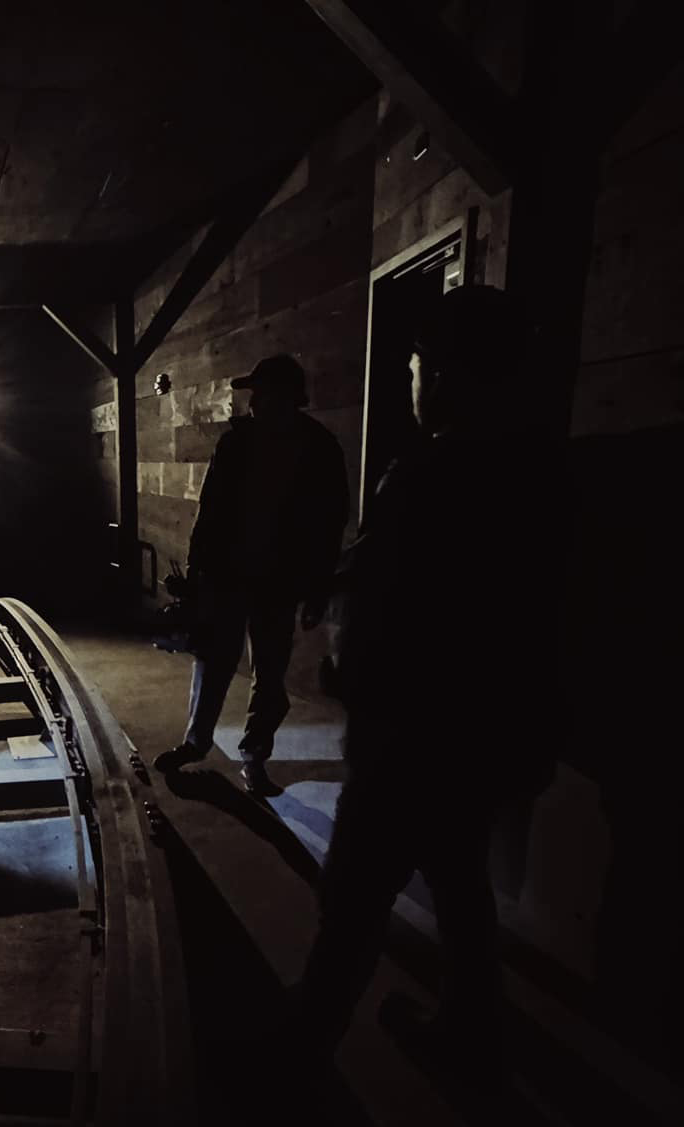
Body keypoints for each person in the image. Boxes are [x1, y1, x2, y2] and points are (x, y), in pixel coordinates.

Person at [293, 285, 562, 1077]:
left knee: (353, 896)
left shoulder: (428, 476)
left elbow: (393, 608)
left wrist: (348, 674)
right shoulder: (539, 470)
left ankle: (300, 1050)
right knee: (461, 881)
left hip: (411, 736)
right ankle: (470, 1028)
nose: (411, 378)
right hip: (491, 730)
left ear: (442, 373)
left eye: (415, 364)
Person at [156, 354, 349, 796]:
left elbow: (329, 521)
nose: (254, 402)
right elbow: (211, 509)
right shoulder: (237, 442)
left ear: (285, 397)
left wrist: (317, 586)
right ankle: (196, 743)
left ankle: (254, 757)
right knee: (213, 661)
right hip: (229, 574)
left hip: (278, 580)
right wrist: (196, 568)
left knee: (270, 673)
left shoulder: (318, 448)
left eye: (261, 394)